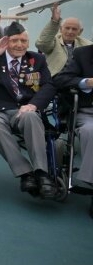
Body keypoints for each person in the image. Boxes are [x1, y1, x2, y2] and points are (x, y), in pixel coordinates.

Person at [0, 22, 56, 198]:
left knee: (31, 117)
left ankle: (41, 173)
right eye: (15, 40)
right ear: (6, 41)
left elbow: (48, 86)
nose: (19, 45)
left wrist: (34, 105)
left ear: (28, 42)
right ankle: (24, 173)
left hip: (24, 108)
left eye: (23, 40)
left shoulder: (37, 59)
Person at [53, 45, 93, 188]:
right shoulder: (83, 54)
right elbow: (60, 79)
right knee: (90, 131)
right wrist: (86, 82)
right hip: (87, 111)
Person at [36, 3, 91, 76]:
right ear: (61, 29)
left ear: (80, 32)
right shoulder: (53, 41)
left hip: (78, 80)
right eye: (67, 28)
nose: (70, 31)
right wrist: (54, 22)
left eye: (74, 29)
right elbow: (42, 44)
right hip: (55, 79)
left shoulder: (86, 44)